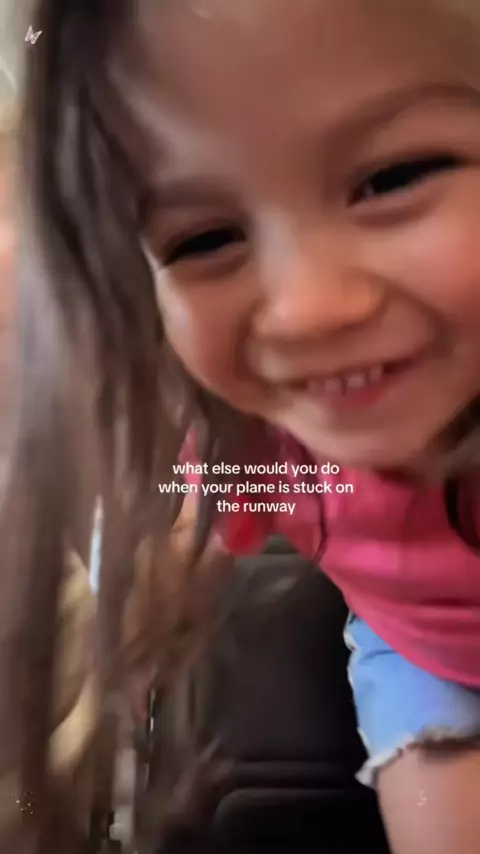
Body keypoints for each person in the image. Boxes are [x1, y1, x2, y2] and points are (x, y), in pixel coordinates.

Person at [6, 0, 480, 852]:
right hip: (427, 657)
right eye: (206, 239)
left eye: (397, 177)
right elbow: (173, 549)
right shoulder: (265, 446)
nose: (305, 310)